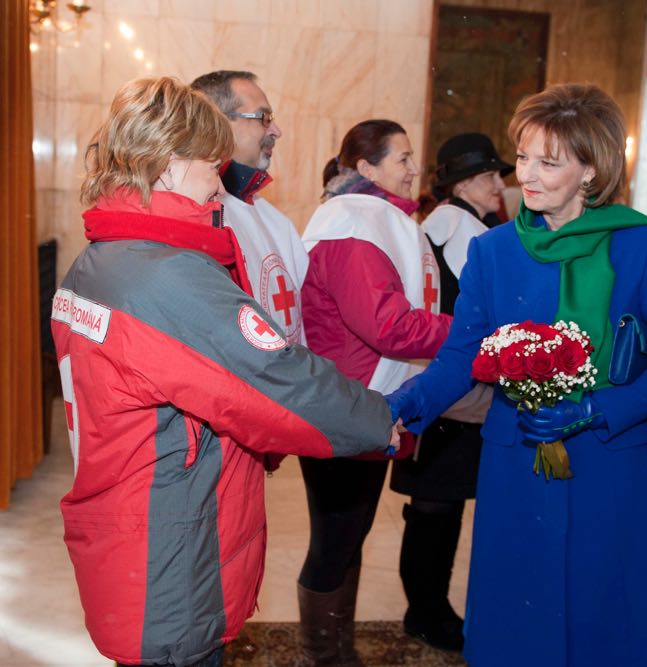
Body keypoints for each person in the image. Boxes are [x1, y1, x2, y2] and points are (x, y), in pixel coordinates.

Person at [52, 77, 395, 667]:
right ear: (166, 167)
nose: (219, 190)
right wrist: (377, 418)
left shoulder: (100, 260)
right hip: (168, 544)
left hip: (131, 525)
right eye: (212, 168)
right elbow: (274, 378)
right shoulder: (163, 278)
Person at [387, 83, 647, 667]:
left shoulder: (643, 243)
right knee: (517, 613)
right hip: (515, 458)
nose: (525, 175)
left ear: (591, 170)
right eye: (523, 157)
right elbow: (461, 357)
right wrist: (399, 403)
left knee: (602, 610)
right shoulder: (495, 250)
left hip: (609, 456)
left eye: (547, 163)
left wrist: (594, 410)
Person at [296, 119, 452, 665]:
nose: (414, 168)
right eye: (402, 158)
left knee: (352, 531)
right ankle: (324, 655)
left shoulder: (374, 221)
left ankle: (339, 649)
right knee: (335, 536)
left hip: (365, 399)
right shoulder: (352, 225)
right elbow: (386, 326)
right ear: (365, 168)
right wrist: (470, 331)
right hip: (344, 402)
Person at [387, 132, 512, 651]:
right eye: (488, 176)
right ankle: (428, 611)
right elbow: (477, 316)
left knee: (433, 507)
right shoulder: (462, 230)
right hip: (454, 395)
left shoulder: (436, 226)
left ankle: (428, 607)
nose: (498, 185)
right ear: (462, 183)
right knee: (436, 509)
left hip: (438, 388)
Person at [191, 70, 308, 345]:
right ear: (217, 122)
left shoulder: (277, 221)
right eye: (263, 118)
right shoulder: (197, 217)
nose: (276, 131)